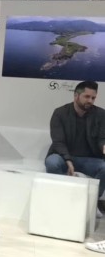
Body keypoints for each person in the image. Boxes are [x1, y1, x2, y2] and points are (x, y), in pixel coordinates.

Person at [45, 80, 105, 228]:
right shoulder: (60, 113)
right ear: (76, 96)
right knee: (52, 162)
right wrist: (68, 160)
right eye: (87, 96)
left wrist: (104, 146)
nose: (90, 101)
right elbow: (58, 141)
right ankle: (61, 199)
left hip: (89, 159)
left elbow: (101, 138)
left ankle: (92, 203)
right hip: (63, 156)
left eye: (93, 98)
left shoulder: (100, 114)